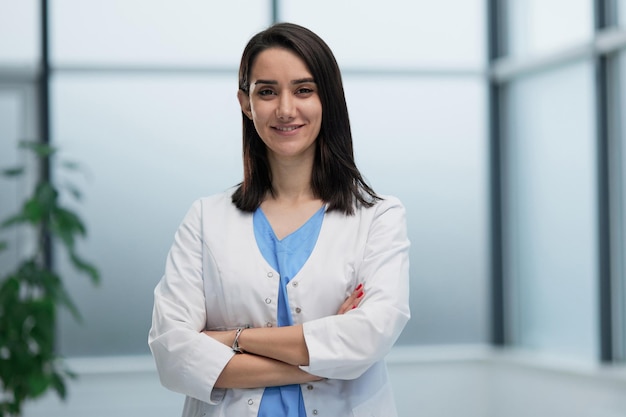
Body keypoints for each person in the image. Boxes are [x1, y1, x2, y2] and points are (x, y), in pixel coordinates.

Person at [148, 22, 410, 417]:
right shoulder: (205, 218)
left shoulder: (378, 217)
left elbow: (367, 338)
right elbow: (172, 353)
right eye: (267, 91)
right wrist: (321, 360)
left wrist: (230, 339)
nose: (285, 109)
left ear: (328, 99)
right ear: (244, 101)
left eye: (303, 90)